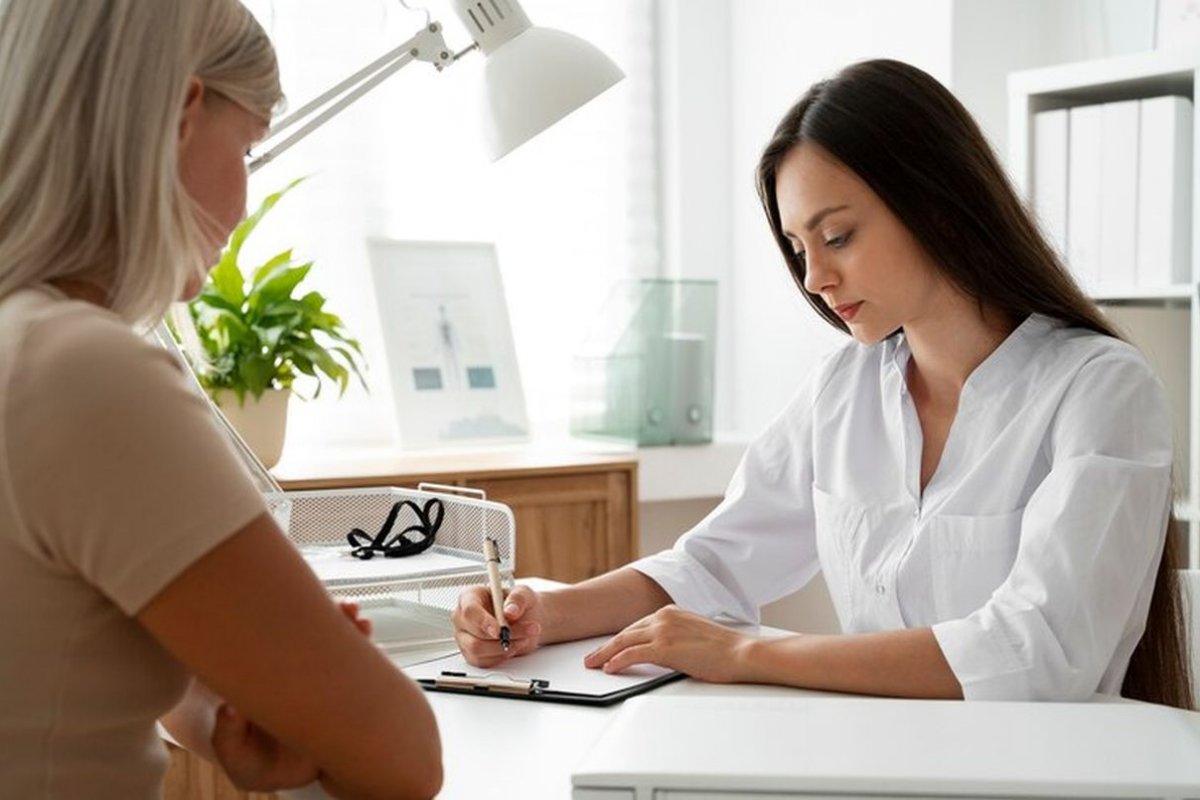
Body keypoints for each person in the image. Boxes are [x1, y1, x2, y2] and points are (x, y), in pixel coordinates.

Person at [453, 58, 1194, 708]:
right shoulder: (843, 389)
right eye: (798, 246)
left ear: (934, 203)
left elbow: (1039, 650)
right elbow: (713, 562)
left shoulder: (1101, 392)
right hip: (873, 762)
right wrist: (544, 612)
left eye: (837, 236)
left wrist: (747, 653)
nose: (815, 278)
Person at [0, 2, 442, 798]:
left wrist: (216, 711)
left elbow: (50, 650)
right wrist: (318, 701)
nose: (242, 202)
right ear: (177, 115)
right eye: (249, 144)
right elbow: (402, 757)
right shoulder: (80, 372)